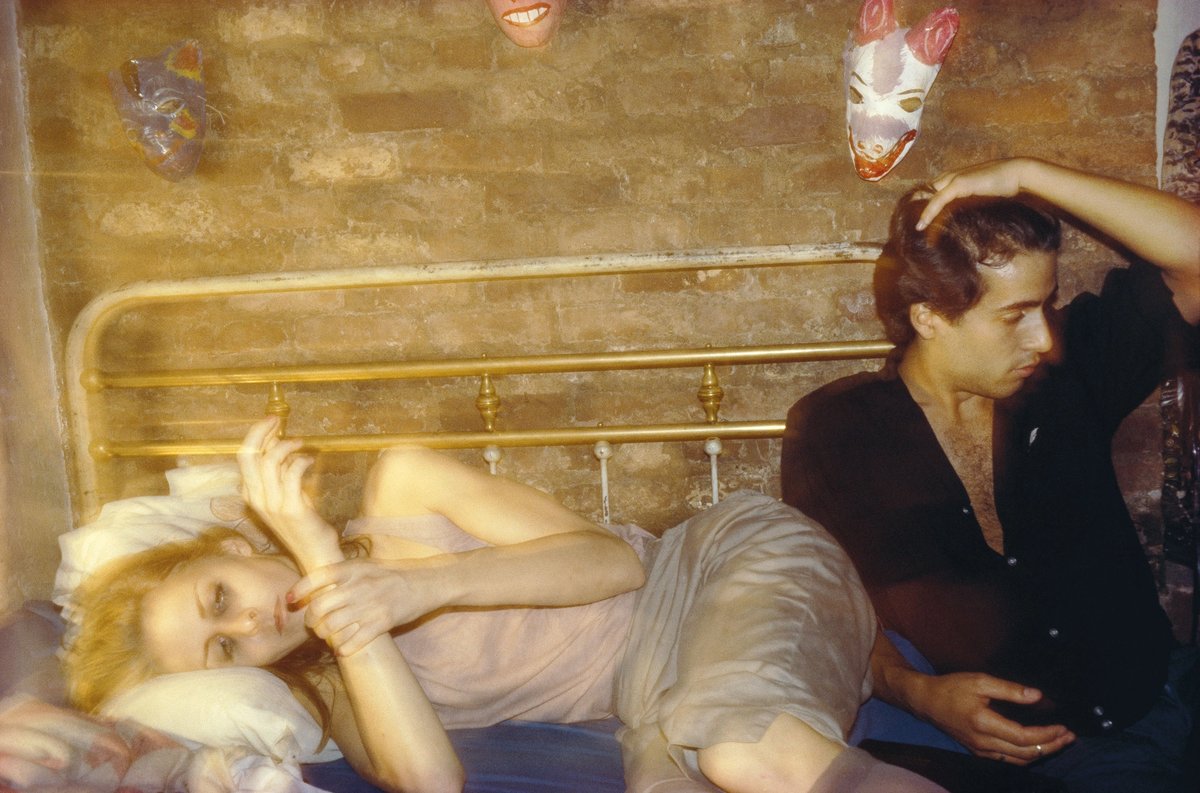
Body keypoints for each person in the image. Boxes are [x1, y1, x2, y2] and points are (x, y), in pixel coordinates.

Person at [63, 416, 948, 793]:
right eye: (225, 650)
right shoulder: (341, 690)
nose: (253, 624)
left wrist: (418, 582)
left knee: (745, 755)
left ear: (234, 547)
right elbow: (434, 782)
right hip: (656, 701)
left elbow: (614, 564)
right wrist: (331, 575)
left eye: (222, 597)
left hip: (712, 568)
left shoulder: (403, 483)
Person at [782, 157, 1200, 793]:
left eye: (1046, 307)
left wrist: (1027, 174)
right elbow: (827, 598)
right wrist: (919, 694)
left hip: (1138, 718)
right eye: (1015, 315)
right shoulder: (838, 431)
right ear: (929, 317)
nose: (1043, 339)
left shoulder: (1067, 377)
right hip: (962, 755)